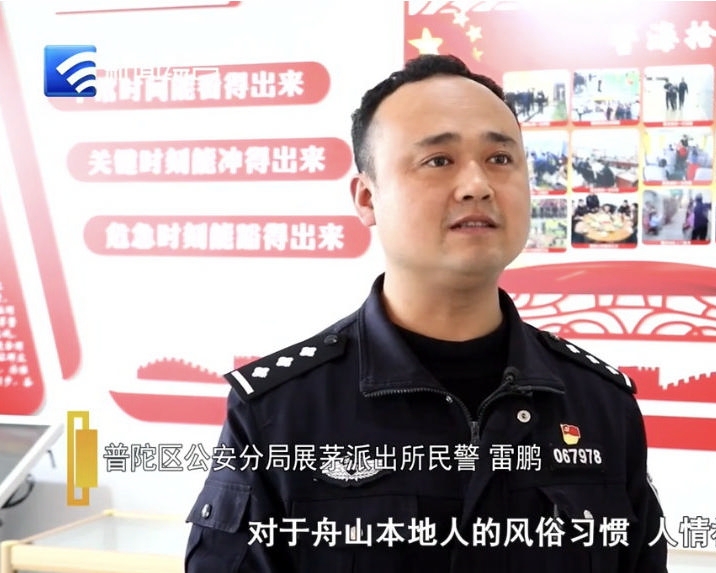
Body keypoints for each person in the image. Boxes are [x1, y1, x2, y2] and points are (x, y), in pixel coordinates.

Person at [183, 54, 667, 572]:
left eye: (500, 159)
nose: (477, 184)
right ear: (367, 198)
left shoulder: (600, 404)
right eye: (439, 161)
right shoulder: (279, 412)